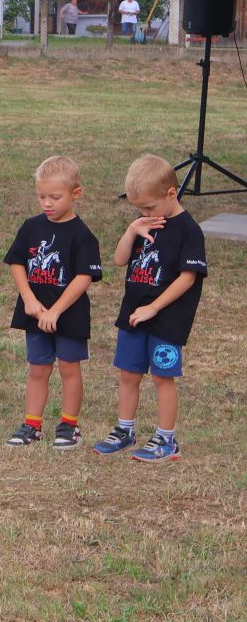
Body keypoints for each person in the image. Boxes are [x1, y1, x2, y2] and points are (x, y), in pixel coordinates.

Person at [93, 155, 207, 463]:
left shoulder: (189, 230)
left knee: (161, 377)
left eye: (149, 207)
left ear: (171, 193)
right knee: (129, 373)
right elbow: (119, 260)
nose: (144, 213)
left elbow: (187, 278)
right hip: (134, 315)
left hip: (167, 319)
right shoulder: (145, 222)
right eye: (139, 209)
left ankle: (167, 439)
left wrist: (154, 308)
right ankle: (125, 430)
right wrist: (132, 230)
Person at [3, 156, 102, 450]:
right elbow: (17, 263)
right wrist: (29, 300)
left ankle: (69, 425)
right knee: (38, 368)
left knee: (69, 368)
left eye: (55, 197)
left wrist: (56, 311)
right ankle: (32, 425)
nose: (47, 203)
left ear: (75, 193)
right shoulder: (31, 227)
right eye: (41, 196)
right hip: (35, 313)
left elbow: (84, 277)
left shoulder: (82, 235)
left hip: (68, 315)